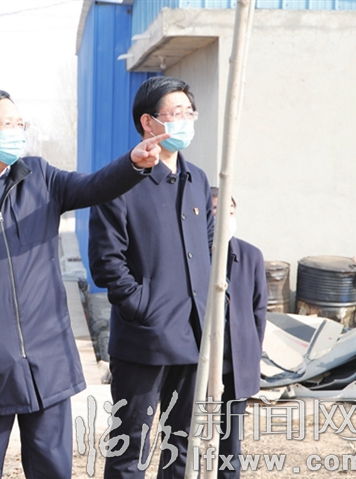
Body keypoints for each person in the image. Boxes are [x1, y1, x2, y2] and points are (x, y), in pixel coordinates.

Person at [0, 89, 165, 479]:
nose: (17, 132)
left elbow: (94, 186)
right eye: (6, 124)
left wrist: (132, 163)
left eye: (20, 124)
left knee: (52, 467)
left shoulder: (41, 177)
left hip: (48, 355)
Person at [88, 76, 214, 479]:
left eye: (189, 112)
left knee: (182, 446)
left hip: (194, 335)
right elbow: (106, 263)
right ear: (148, 121)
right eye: (175, 113)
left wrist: (215, 306)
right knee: (130, 446)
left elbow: (211, 250)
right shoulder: (120, 183)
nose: (185, 121)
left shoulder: (197, 181)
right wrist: (141, 306)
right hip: (145, 339)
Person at [210, 187, 267, 479]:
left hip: (234, 365)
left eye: (230, 212)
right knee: (185, 437)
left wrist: (250, 355)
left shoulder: (251, 255)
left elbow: (259, 312)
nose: (226, 218)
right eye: (218, 211)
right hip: (198, 364)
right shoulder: (193, 254)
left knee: (230, 444)